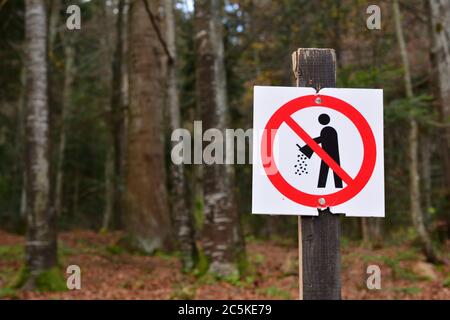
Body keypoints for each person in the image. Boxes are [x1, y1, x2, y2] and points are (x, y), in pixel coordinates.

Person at [299, 114, 342, 188]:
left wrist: (307, 149)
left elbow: (319, 140)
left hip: (329, 154)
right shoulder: (328, 131)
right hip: (328, 154)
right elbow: (319, 140)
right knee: (328, 173)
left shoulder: (328, 131)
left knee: (326, 173)